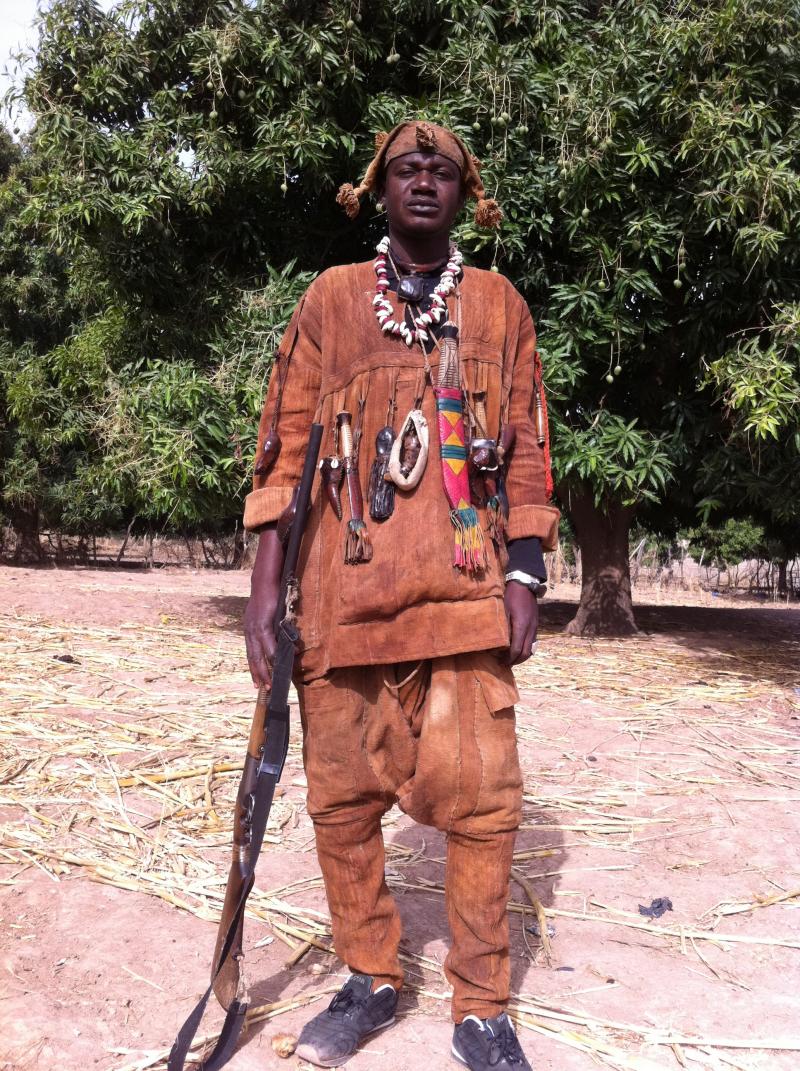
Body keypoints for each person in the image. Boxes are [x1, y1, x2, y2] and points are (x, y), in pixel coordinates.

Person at [242, 121, 559, 1071]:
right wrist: (263, 593)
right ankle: (372, 975)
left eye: (443, 171)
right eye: (406, 169)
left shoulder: (499, 307)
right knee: (340, 805)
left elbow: (529, 450)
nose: (424, 181)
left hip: (464, 598)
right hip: (342, 601)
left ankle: (482, 1005)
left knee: (486, 803)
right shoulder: (333, 300)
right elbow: (285, 453)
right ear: (378, 189)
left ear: (466, 193)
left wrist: (526, 572)